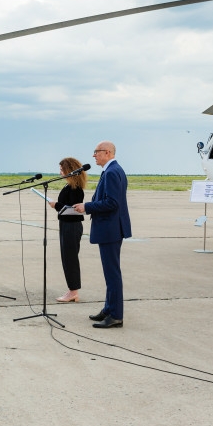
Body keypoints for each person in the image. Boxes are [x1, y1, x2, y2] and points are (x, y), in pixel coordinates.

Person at [73, 141, 132, 329]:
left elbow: (112, 203)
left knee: (112, 273)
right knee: (110, 273)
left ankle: (115, 315)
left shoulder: (113, 172)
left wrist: (87, 207)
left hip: (111, 229)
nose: (94, 155)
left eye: (96, 152)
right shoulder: (111, 170)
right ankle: (109, 308)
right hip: (111, 228)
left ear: (107, 152)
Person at [49, 157, 87, 303]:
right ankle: (72, 290)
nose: (60, 172)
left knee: (70, 258)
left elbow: (73, 209)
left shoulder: (75, 189)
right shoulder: (68, 186)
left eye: (62, 169)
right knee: (67, 258)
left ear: (69, 170)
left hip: (72, 226)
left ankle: (73, 292)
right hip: (65, 224)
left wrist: (56, 205)